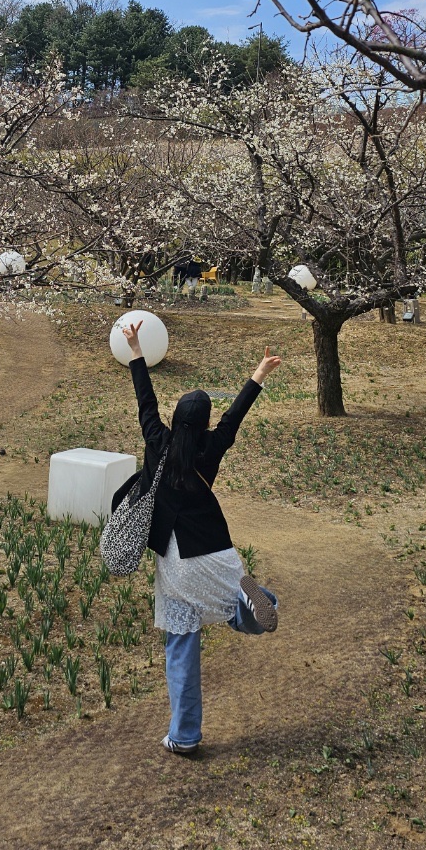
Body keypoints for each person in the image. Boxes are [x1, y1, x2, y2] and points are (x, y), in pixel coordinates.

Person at [115, 320, 281, 756]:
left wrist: (135, 348)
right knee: (235, 604)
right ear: (205, 424)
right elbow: (235, 416)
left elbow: (144, 402)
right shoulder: (212, 448)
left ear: (173, 420)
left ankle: (185, 735)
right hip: (217, 554)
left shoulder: (158, 442)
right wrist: (259, 373)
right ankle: (252, 605)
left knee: (181, 645)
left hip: (176, 563)